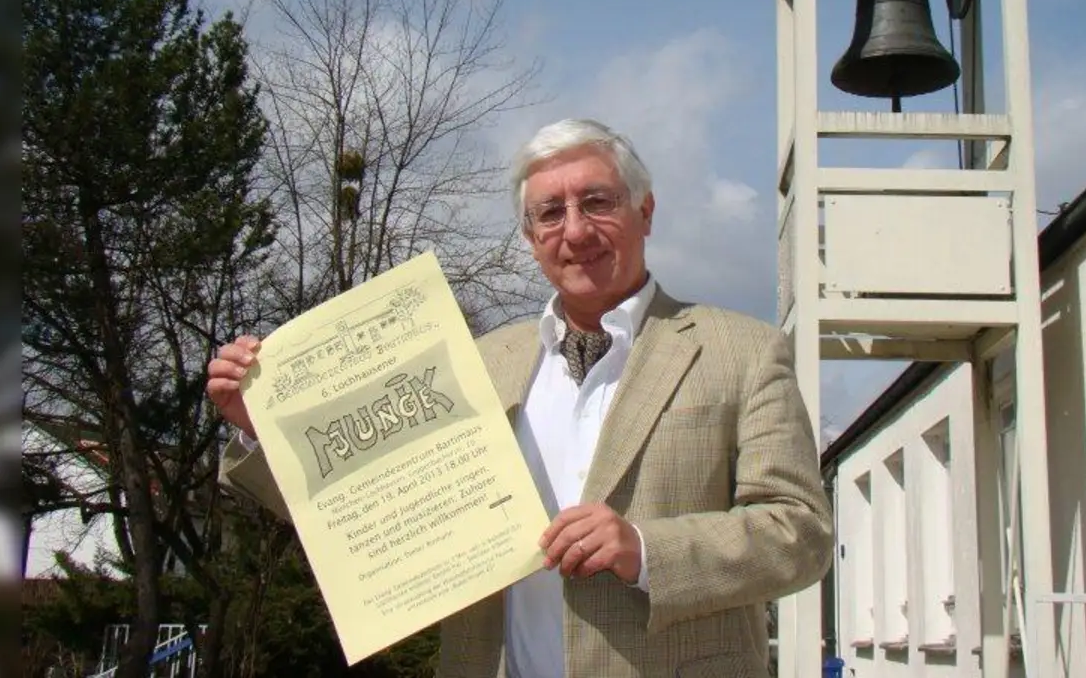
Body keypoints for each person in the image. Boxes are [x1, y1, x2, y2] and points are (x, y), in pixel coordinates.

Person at [206, 118, 833, 677]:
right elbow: (357, 509)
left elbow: (801, 533)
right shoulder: (477, 364)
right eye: (550, 213)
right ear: (530, 237)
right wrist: (263, 428)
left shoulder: (743, 352)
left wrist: (645, 550)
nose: (576, 230)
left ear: (645, 212)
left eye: (597, 202)